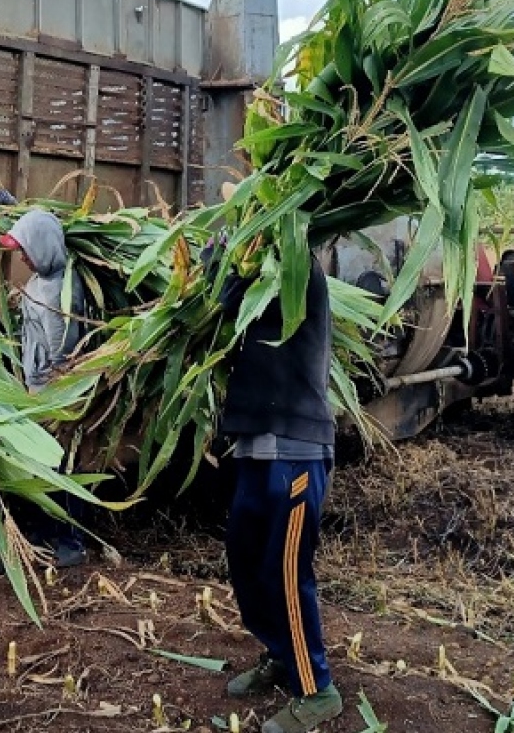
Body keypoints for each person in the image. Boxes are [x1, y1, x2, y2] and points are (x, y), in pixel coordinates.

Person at [209, 185, 343, 733]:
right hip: (256, 444)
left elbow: (230, 300)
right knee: (245, 564)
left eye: (253, 220)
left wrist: (225, 254)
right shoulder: (260, 266)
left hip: (295, 449)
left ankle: (316, 691)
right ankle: (278, 653)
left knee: (285, 575)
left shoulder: (297, 271)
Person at [0, 195, 91, 568]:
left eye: (27, 249)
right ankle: (39, 534)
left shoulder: (62, 291)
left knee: (62, 470)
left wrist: (46, 402)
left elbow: (63, 355)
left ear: (44, 246)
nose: (22, 257)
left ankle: (70, 541)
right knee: (37, 469)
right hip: (34, 392)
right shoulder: (39, 280)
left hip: (55, 395)